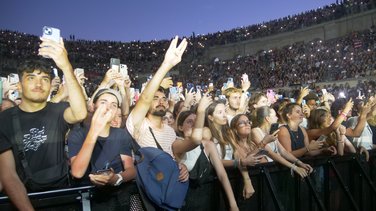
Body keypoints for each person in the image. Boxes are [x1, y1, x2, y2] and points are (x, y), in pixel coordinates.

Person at [0, 37, 87, 210]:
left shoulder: (58, 110)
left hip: (63, 198)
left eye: (45, 79)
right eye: (31, 78)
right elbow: (8, 175)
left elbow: (80, 113)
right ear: (19, 85)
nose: (39, 84)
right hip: (27, 199)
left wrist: (65, 66)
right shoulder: (5, 119)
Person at [125, 36, 189, 184]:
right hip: (145, 193)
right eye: (155, 98)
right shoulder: (138, 124)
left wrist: (181, 166)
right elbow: (145, 98)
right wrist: (166, 65)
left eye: (163, 98)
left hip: (168, 189)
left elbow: (173, 159)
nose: (160, 101)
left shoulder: (170, 131)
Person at [67, 88, 136, 210]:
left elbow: (131, 169)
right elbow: (77, 172)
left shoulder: (120, 134)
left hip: (117, 198)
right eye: (103, 102)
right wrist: (95, 130)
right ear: (93, 106)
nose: (108, 108)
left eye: (114, 105)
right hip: (89, 199)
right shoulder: (78, 134)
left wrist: (117, 178)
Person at [175, 95, 239, 211]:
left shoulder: (208, 145)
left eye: (197, 121)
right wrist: (199, 111)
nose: (194, 125)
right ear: (180, 127)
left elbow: (222, 174)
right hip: (183, 202)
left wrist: (233, 204)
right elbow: (194, 140)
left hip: (206, 200)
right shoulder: (176, 144)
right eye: (189, 122)